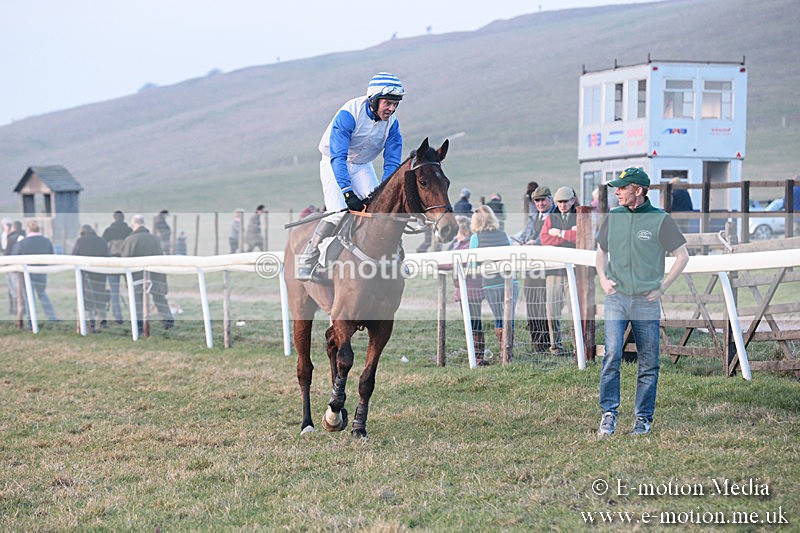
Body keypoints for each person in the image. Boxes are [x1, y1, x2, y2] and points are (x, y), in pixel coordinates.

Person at [596, 168, 689, 437]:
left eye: (622, 188)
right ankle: (609, 413)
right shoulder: (613, 217)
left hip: (646, 302)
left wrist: (662, 287)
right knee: (612, 354)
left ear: (638, 190)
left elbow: (682, 256)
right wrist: (603, 279)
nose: (617, 192)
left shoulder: (661, 220)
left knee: (648, 361)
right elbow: (600, 253)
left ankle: (643, 418)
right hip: (616, 298)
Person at [296, 72, 405, 282]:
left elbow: (392, 162)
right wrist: (347, 192)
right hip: (334, 162)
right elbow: (338, 157)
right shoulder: (349, 114)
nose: (392, 109)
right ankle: (309, 258)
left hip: (362, 165)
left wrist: (386, 192)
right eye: (388, 103)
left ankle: (396, 255)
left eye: (395, 104)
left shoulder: (393, 124)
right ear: (374, 100)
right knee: (338, 213)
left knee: (382, 210)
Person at [470, 205, 518, 360]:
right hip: (511, 281)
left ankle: (503, 351)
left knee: (499, 317)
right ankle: (508, 350)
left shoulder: (476, 238)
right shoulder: (504, 235)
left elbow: (472, 264)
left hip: (491, 284)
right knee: (509, 316)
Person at [512, 186, 555, 352]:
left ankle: (549, 341)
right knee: (532, 302)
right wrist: (519, 242)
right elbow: (524, 235)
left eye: (543, 200)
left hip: (549, 267)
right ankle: (537, 343)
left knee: (547, 305)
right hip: (531, 267)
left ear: (550, 199)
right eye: (537, 201)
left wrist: (536, 244)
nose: (540, 203)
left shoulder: (556, 216)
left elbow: (551, 238)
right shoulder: (532, 218)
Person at [441, 216, 486, 364]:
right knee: (471, 322)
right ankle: (474, 353)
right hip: (463, 288)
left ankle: (478, 356)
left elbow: (455, 262)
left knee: (474, 322)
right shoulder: (458, 244)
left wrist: (436, 262)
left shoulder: (467, 245)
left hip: (471, 288)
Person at [539, 186, 579, 355]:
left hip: (575, 270)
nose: (562, 205)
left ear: (572, 200)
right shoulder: (551, 217)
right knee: (552, 310)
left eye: (565, 201)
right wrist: (569, 236)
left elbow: (581, 237)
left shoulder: (580, 215)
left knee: (574, 309)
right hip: (554, 269)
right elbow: (544, 239)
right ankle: (556, 347)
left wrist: (560, 233)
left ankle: (578, 346)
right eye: (559, 202)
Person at [120, 214, 174, 331]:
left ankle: (139, 325)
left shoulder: (130, 240)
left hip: (137, 277)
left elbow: (125, 261)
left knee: (138, 301)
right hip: (155, 275)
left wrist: (127, 279)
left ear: (134, 224)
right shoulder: (154, 239)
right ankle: (168, 321)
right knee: (159, 298)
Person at [13, 220, 58, 323]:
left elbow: (15, 255)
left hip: (27, 273)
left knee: (29, 297)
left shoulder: (22, 243)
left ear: (28, 229)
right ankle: (52, 317)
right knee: (42, 293)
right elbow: (51, 255)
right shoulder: (46, 241)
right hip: (42, 271)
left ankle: (31, 320)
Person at [72, 225, 110, 331]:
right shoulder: (102, 241)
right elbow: (108, 255)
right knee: (100, 296)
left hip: (86, 275)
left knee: (89, 298)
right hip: (101, 274)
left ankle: (91, 321)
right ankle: (103, 319)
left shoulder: (80, 241)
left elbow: (73, 256)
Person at [101, 210, 133, 324]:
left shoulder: (108, 231)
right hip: (127, 262)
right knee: (132, 290)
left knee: (114, 291)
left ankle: (118, 316)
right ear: (123, 218)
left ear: (114, 218)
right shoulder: (129, 231)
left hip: (112, 263)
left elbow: (103, 246)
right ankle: (135, 314)